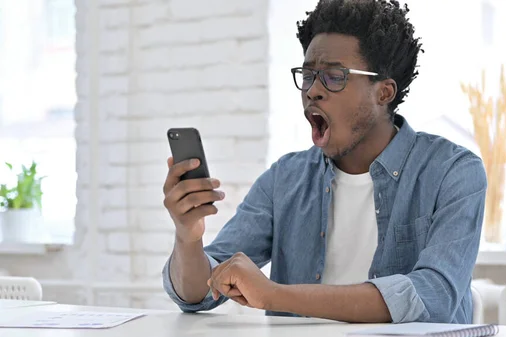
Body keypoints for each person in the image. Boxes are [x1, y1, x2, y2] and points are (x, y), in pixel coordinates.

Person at [162, 0, 487, 324]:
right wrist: (188, 237)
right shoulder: (285, 179)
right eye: (308, 75)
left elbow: (433, 294)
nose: (312, 91)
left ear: (384, 92)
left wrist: (274, 294)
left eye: (334, 76)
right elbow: (200, 294)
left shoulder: (453, 172)